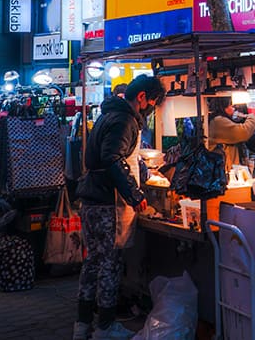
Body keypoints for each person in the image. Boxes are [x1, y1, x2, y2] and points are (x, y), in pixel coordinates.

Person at [74, 75, 164, 340]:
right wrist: (135, 195)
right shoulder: (125, 120)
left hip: (92, 201)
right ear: (142, 98)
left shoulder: (109, 115)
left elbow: (117, 157)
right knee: (109, 265)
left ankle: (81, 326)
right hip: (108, 204)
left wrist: (142, 175)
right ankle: (105, 327)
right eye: (153, 102)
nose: (151, 108)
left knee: (92, 263)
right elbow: (112, 158)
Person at [206, 96, 255, 172]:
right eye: (230, 105)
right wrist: (251, 117)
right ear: (223, 107)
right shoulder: (218, 121)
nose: (233, 109)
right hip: (225, 171)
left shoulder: (216, 120)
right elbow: (244, 132)